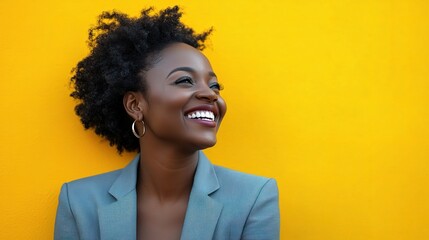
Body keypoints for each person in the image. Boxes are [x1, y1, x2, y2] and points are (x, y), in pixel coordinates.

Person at [54, 6, 280, 240]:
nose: (211, 95)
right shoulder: (79, 203)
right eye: (185, 80)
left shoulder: (254, 198)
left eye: (214, 86)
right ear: (135, 105)